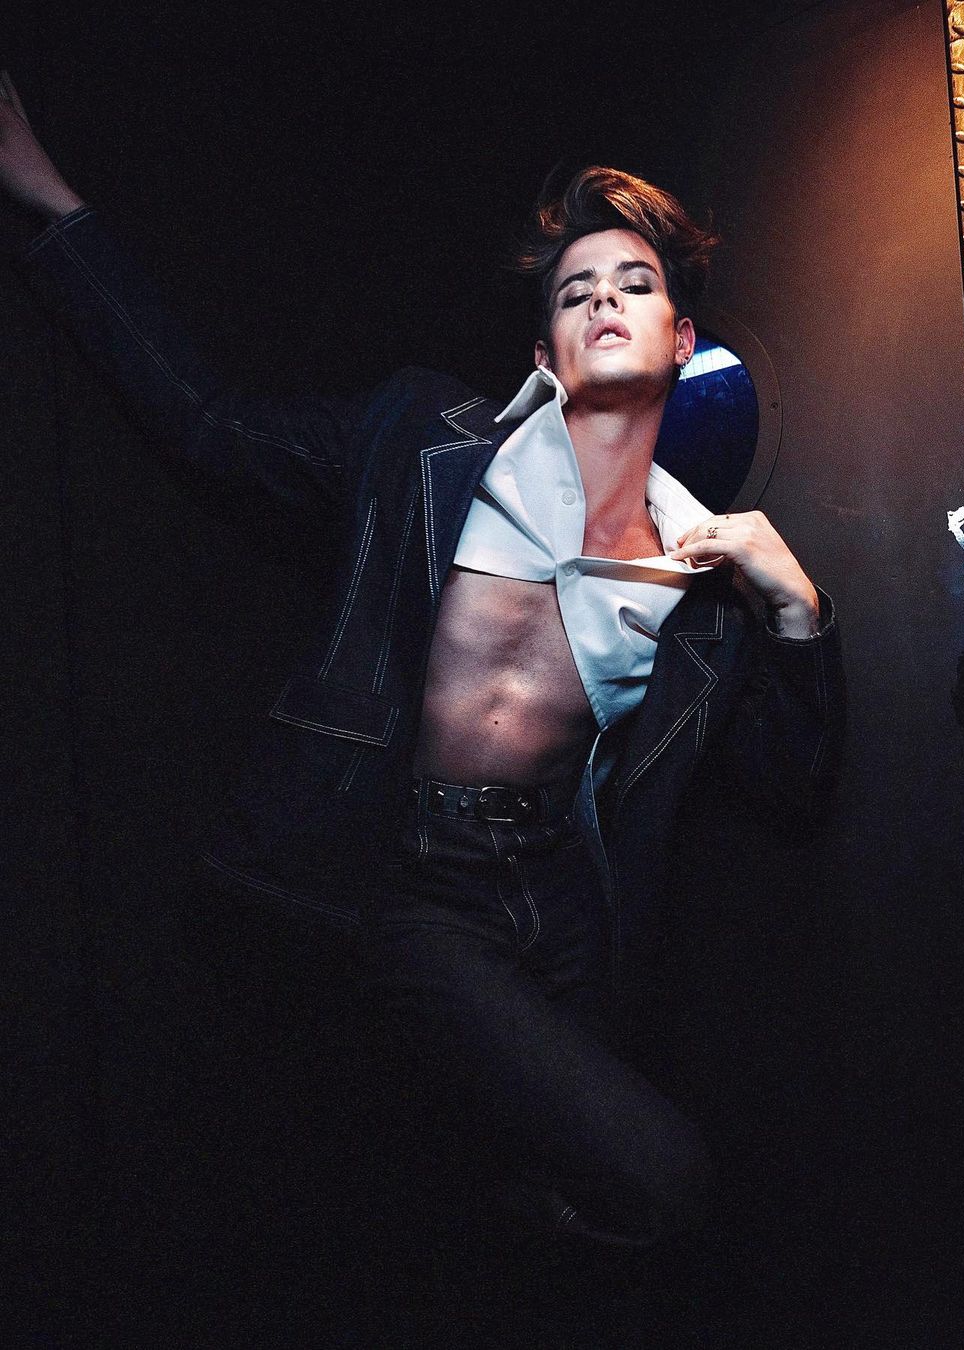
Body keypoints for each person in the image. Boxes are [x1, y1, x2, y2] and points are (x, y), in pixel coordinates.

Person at [1, 70, 844, 1256]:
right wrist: (52, 203)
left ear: (682, 340)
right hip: (420, 885)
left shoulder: (704, 591)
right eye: (577, 292)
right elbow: (210, 428)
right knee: (666, 1179)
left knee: (541, 1215)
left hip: (570, 915)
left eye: (634, 284)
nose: (605, 301)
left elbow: (793, 789)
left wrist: (797, 604)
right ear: (546, 348)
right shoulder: (421, 444)